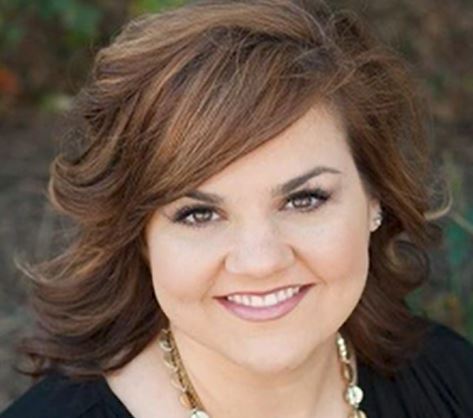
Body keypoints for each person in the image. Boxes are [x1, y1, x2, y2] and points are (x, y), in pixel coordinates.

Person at [1, 0, 472, 417]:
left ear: (374, 199)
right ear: (139, 235)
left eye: (304, 200)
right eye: (199, 214)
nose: (260, 261)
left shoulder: (452, 380)